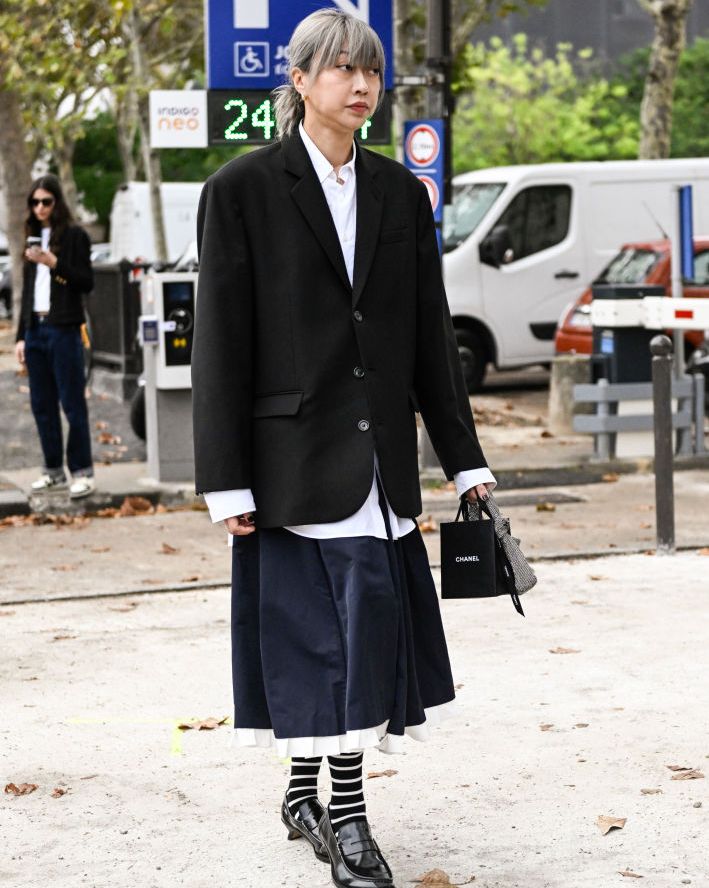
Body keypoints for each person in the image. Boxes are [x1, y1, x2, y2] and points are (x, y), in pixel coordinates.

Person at [191, 9, 495, 888]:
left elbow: (428, 339)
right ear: (300, 80)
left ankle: (331, 802)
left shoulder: (402, 194)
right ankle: (333, 815)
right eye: (341, 69)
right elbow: (220, 344)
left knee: (361, 638)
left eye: (370, 71)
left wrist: (463, 460)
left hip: (377, 469)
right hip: (287, 464)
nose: (361, 85)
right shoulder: (242, 189)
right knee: (309, 643)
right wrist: (224, 481)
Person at [14, 174, 95, 499]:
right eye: (35, 202)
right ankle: (52, 471)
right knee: (41, 405)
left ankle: (82, 471)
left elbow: (86, 282)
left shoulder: (75, 237)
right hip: (36, 329)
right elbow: (27, 293)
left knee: (72, 402)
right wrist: (20, 336)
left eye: (46, 201)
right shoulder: (31, 238)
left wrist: (54, 263)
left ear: (57, 202)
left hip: (63, 329)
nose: (40, 208)